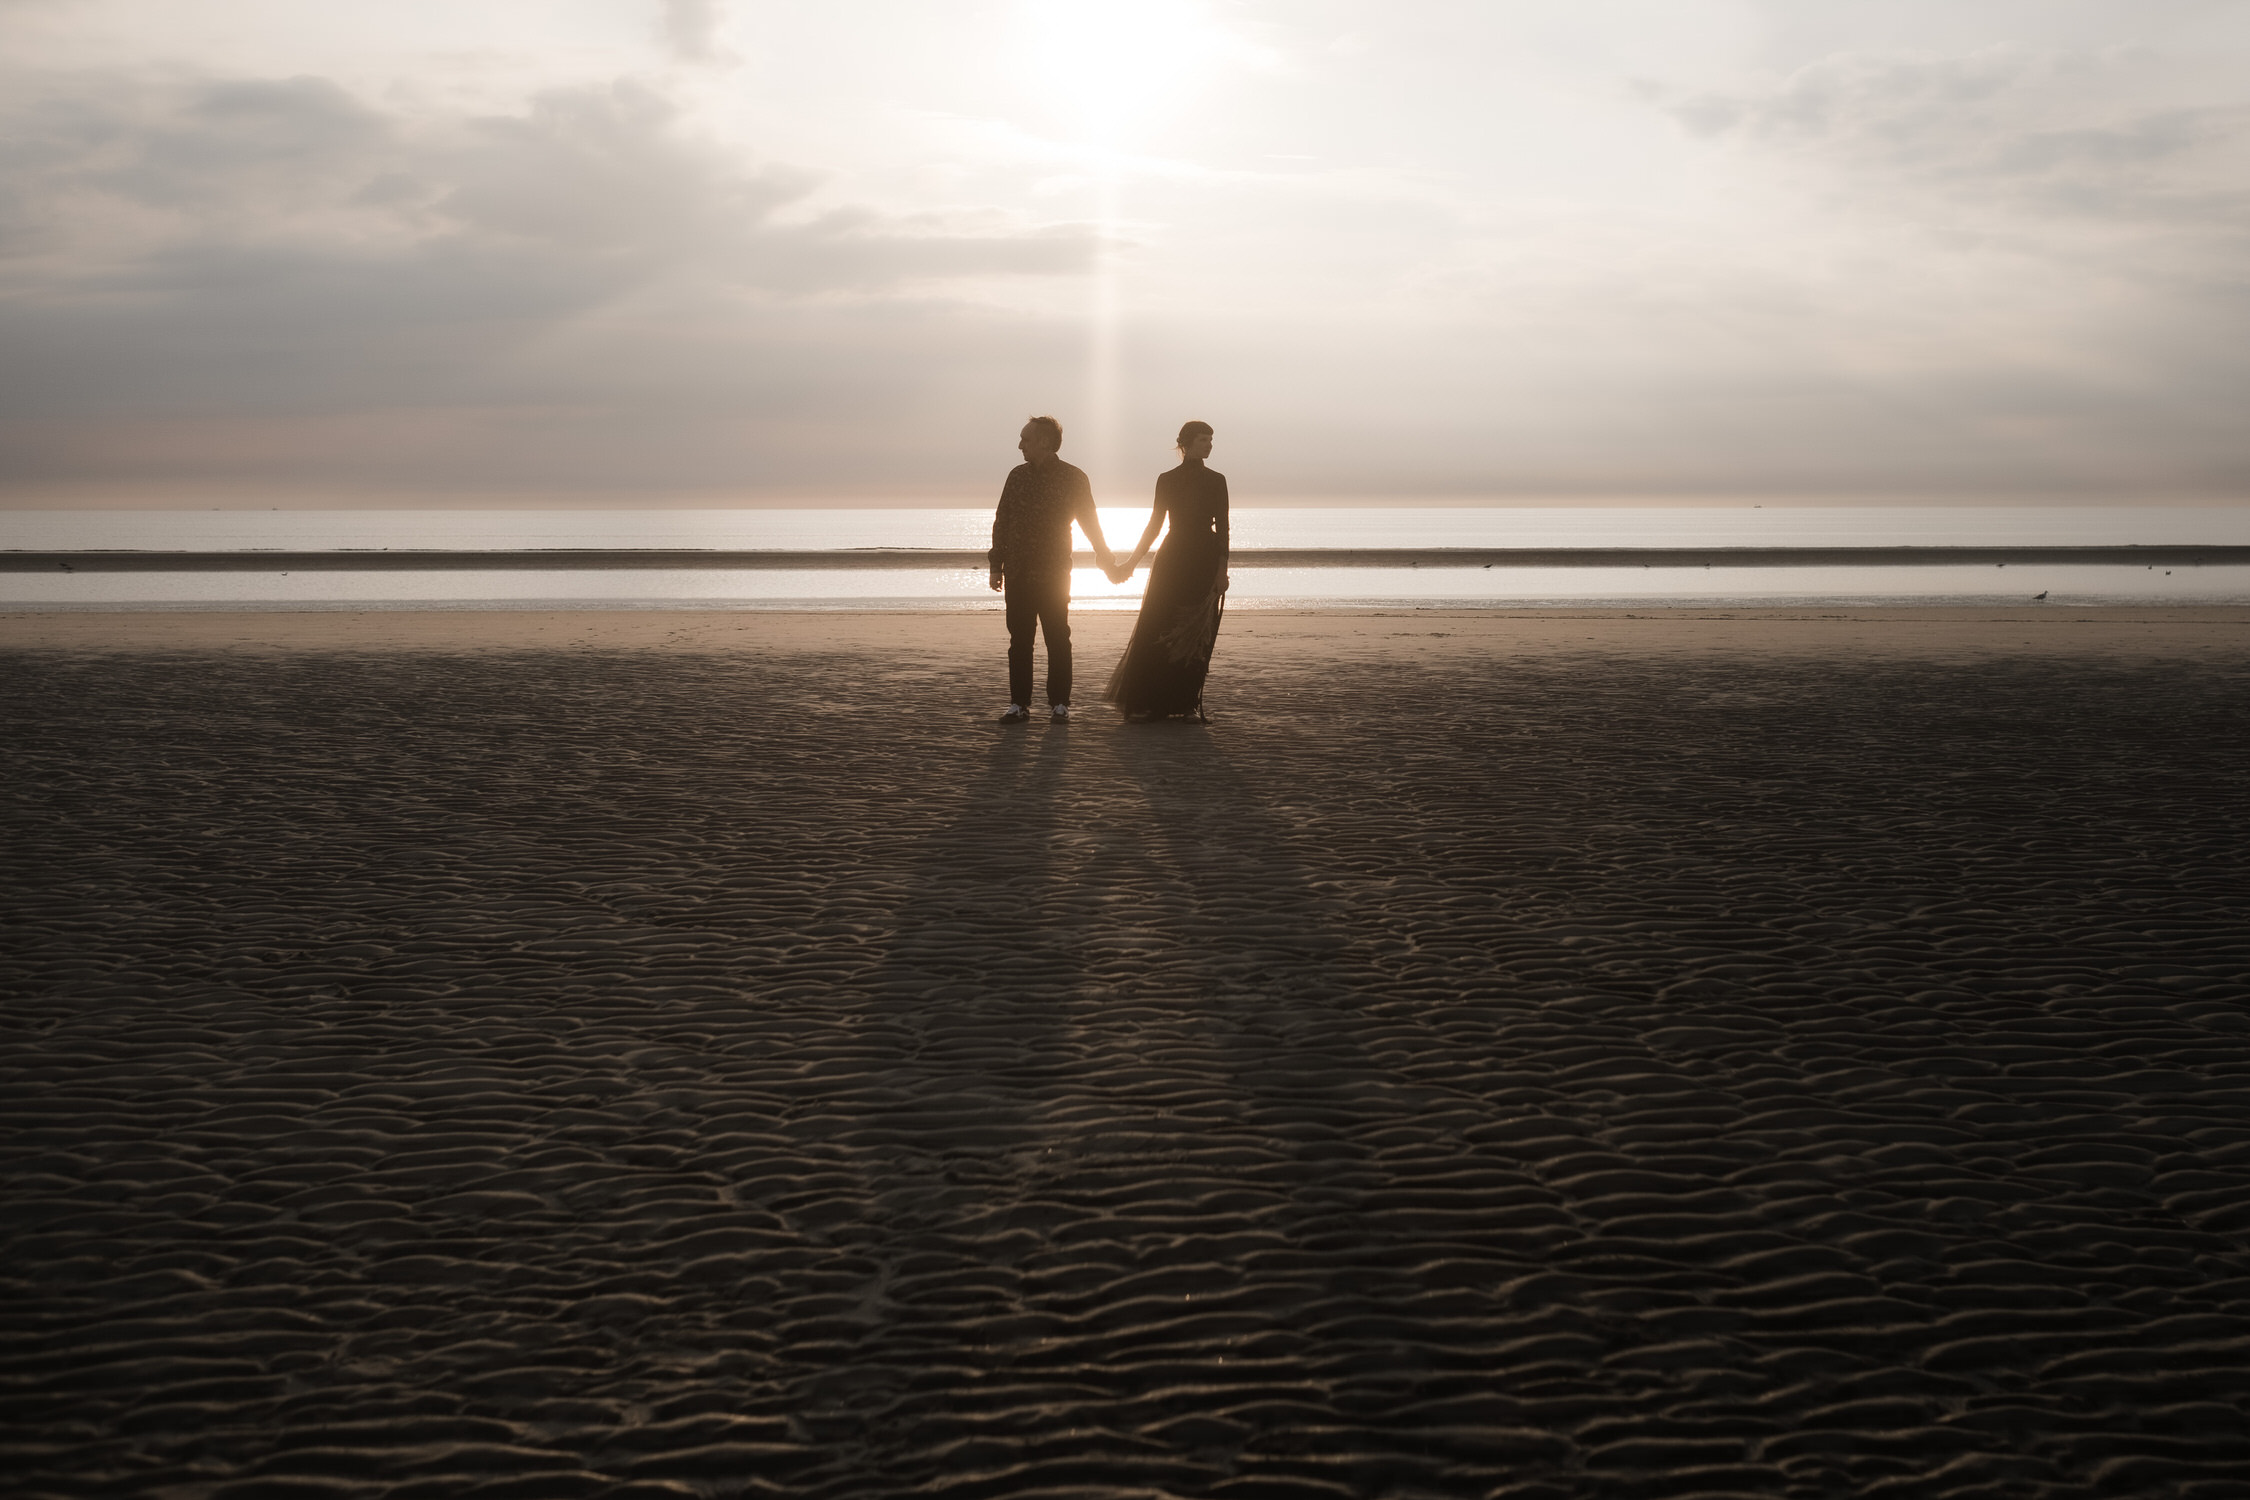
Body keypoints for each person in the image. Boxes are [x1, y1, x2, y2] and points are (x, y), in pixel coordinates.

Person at [988, 415, 1123, 722]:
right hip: (1018, 572)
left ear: (1045, 442)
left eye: (1026, 439)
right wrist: (996, 566)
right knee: (1019, 641)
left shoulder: (1073, 477)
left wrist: (1104, 556)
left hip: (1055, 573)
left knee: (1057, 638)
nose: (1020, 444)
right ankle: (1019, 704)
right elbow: (1002, 521)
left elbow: (1090, 521)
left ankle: (1059, 704)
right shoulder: (1016, 476)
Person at [1103, 420, 1230, 720]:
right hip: (1172, 559)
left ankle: (1185, 703)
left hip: (1204, 559)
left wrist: (1221, 571)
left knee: (1196, 633)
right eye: (1203, 439)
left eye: (1211, 439)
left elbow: (1223, 529)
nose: (1209, 445)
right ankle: (1150, 703)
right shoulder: (1166, 479)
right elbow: (1154, 525)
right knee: (1160, 627)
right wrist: (1131, 563)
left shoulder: (1217, 480)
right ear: (1186, 444)